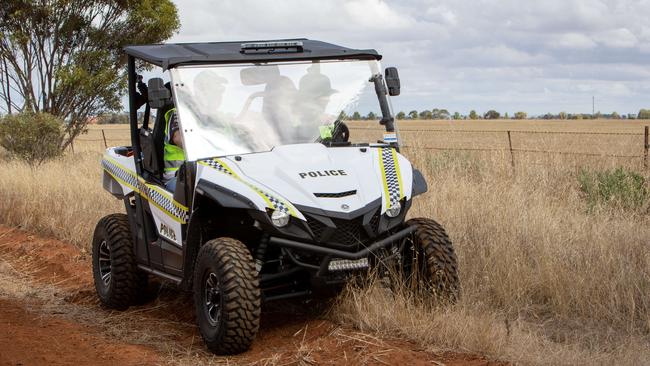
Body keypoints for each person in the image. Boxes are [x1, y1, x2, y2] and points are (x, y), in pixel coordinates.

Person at [163, 108, 185, 192]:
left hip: (195, 171)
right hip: (176, 175)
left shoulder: (210, 116)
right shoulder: (178, 112)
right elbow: (178, 138)